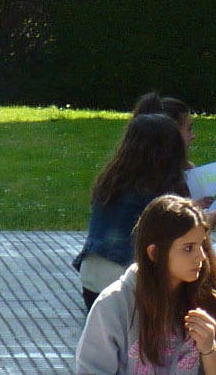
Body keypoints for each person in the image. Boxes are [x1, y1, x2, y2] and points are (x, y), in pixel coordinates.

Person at [74, 194, 216, 375]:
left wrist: (210, 349)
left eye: (203, 245)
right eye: (188, 248)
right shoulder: (115, 304)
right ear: (154, 253)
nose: (201, 256)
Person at [77, 113, 191, 306]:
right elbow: (179, 240)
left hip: (92, 276)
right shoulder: (155, 190)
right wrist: (205, 223)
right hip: (124, 279)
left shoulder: (112, 180)